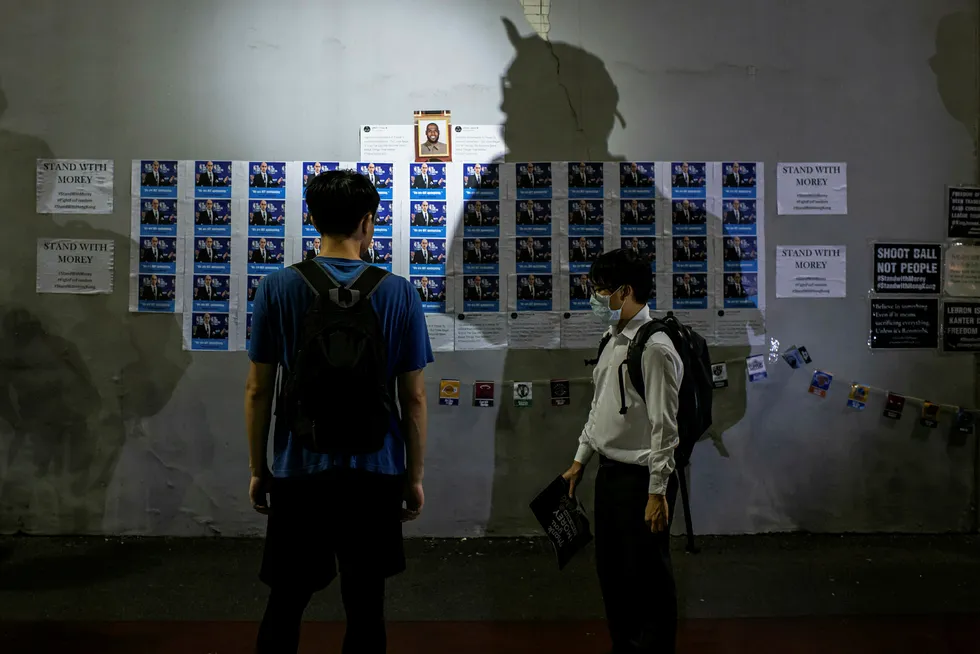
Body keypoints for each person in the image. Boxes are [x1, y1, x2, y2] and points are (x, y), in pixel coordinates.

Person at [247, 169, 432, 654]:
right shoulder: (399, 293)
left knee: (286, 600)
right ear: (368, 222)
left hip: (300, 468)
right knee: (367, 603)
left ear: (312, 219)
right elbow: (413, 398)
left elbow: (257, 390)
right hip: (374, 469)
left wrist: (258, 469)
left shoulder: (277, 288)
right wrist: (412, 477)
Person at [562, 248, 682, 654]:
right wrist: (580, 459)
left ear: (625, 292)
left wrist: (657, 492)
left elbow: (665, 428)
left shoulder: (656, 348)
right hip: (610, 475)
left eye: (600, 292)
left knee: (647, 576)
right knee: (612, 574)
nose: (594, 300)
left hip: (643, 480)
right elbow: (600, 406)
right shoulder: (612, 339)